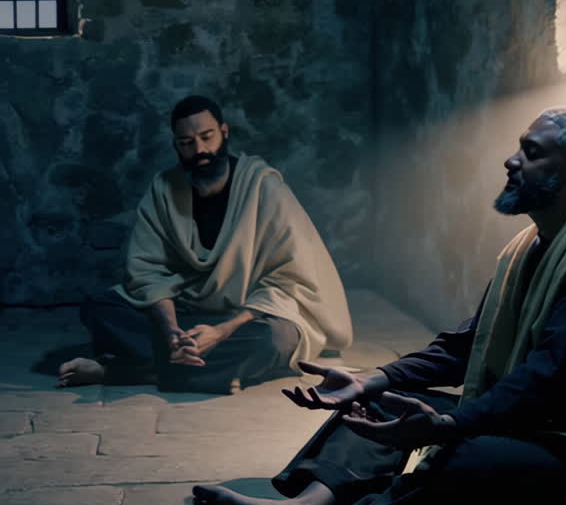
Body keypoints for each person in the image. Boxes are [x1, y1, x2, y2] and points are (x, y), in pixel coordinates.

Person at [192, 107, 566, 505]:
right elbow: (466, 345)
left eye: (531, 153)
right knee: (385, 404)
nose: (511, 161)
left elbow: (546, 382)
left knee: (467, 461)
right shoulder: (531, 244)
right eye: (518, 146)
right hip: (534, 425)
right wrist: (372, 379)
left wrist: (447, 425)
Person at [58, 95, 352, 394]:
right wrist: (172, 331)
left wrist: (221, 332)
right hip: (187, 313)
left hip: (246, 316)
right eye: (186, 142)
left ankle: (124, 372)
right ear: (176, 145)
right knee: (101, 308)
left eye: (206, 137)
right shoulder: (164, 189)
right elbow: (148, 272)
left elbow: (289, 280)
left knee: (276, 339)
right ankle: (209, 368)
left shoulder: (264, 188)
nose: (199, 150)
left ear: (224, 132)